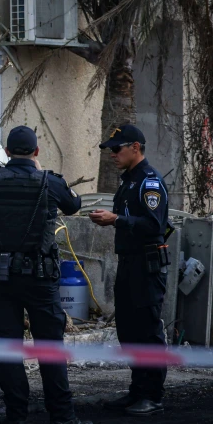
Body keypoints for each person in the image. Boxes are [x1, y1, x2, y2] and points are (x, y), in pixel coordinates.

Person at [0, 126, 87, 424]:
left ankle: (16, 415)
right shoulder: (49, 181)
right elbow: (75, 204)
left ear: (7, 151)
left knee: (7, 348)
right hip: (41, 280)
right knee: (50, 348)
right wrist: (41, 172)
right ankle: (63, 417)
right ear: (37, 152)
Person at [89, 125, 169, 417]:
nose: (112, 154)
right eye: (110, 149)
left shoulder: (149, 182)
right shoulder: (129, 182)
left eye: (117, 148)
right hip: (128, 264)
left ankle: (153, 394)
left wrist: (117, 220)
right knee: (129, 330)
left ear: (136, 147)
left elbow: (153, 225)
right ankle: (137, 390)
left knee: (148, 330)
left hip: (146, 266)